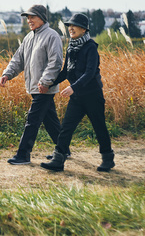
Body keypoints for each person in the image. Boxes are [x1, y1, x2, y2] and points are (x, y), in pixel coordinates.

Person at [40, 13, 115, 172]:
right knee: (66, 127)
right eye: (69, 26)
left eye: (74, 26)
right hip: (77, 98)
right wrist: (49, 83)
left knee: (99, 127)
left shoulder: (91, 48)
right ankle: (58, 160)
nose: (71, 28)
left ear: (83, 29)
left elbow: (89, 73)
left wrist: (73, 87)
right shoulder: (71, 48)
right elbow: (66, 72)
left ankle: (108, 159)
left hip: (93, 96)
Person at [0, 4, 64, 165]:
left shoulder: (52, 36)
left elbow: (55, 62)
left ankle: (23, 155)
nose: (29, 20)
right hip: (36, 87)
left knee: (32, 120)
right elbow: (18, 59)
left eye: (32, 17)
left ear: (42, 18)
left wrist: (45, 82)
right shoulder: (29, 38)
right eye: (27, 17)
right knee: (50, 121)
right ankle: (64, 149)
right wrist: (7, 73)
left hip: (44, 87)